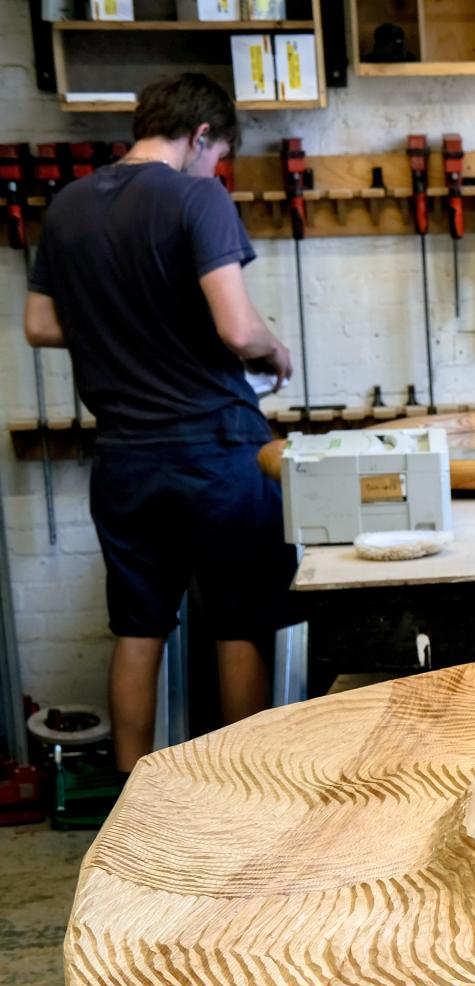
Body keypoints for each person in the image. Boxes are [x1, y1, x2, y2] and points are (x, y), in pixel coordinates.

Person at [24, 73, 295, 773]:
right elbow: (237, 330)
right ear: (201, 136)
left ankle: (130, 795)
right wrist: (275, 349)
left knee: (138, 629)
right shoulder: (197, 195)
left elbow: (41, 324)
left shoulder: (69, 205)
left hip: (125, 456)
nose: (215, 171)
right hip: (217, 450)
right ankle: (249, 793)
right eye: (218, 156)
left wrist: (122, 330)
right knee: (238, 625)